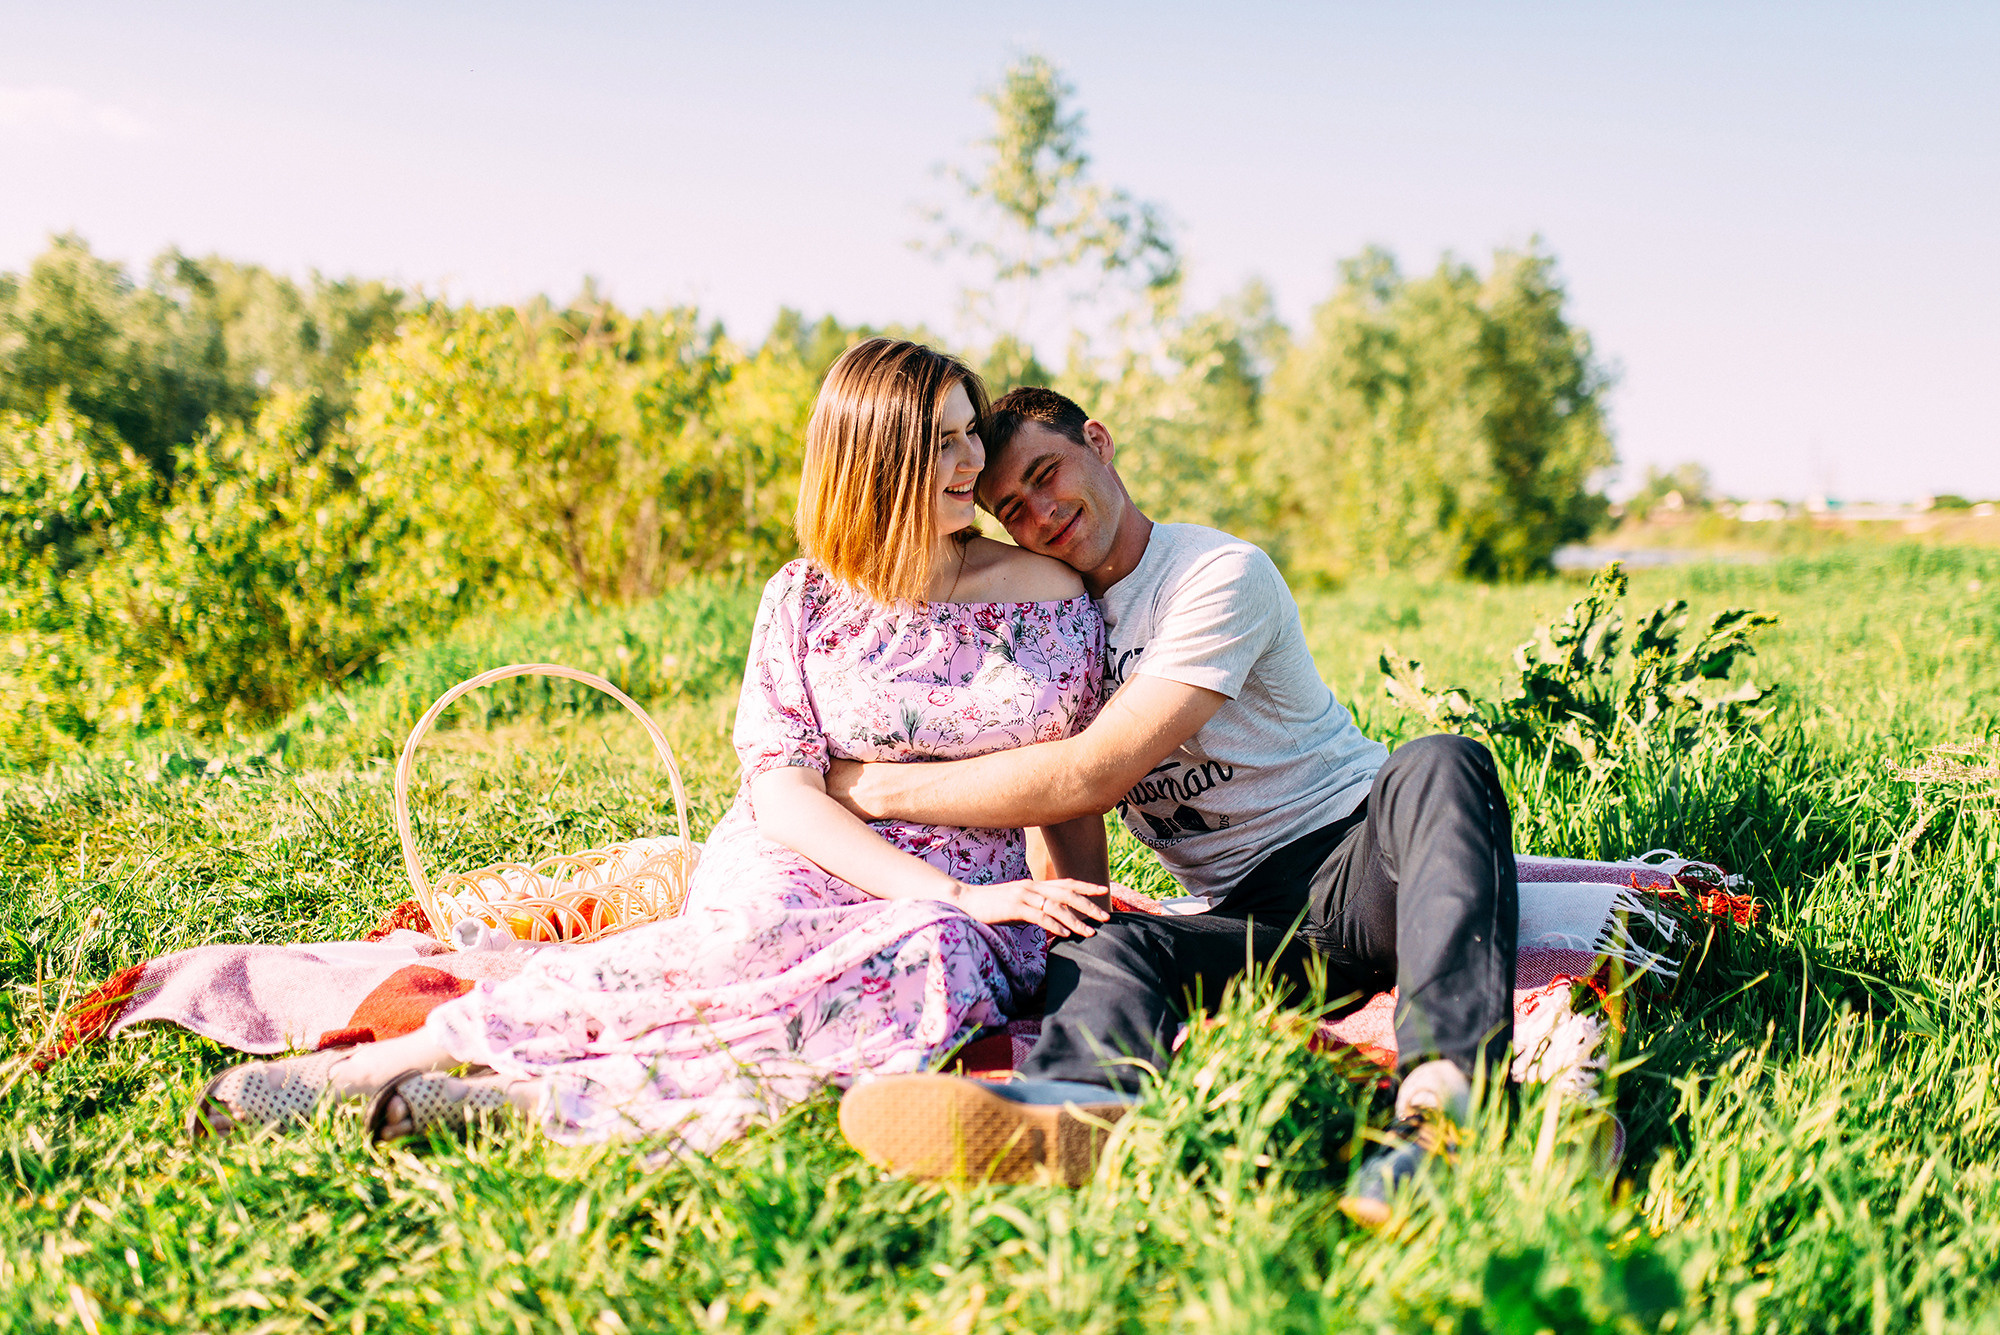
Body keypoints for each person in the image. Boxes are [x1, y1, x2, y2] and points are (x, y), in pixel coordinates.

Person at [188, 340, 1116, 1151]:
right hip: (809, 852)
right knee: (751, 941)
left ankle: (528, 1102)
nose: (968, 460)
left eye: (969, 434)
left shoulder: (1045, 591)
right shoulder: (806, 599)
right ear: (869, 459)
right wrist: (947, 886)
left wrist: (1064, 912)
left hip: (972, 893)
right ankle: (408, 1058)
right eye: (938, 441)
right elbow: (785, 790)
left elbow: (1070, 781)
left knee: (918, 961)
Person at [832, 387, 1518, 1222]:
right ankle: (1069, 1110)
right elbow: (1060, 803)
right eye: (1012, 507)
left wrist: (874, 785)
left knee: (1443, 760)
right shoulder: (1055, 617)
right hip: (1245, 917)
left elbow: (1088, 773)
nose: (1042, 512)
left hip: (1364, 853)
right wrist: (1064, 920)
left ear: (1099, 441)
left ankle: (1440, 1113)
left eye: (1050, 474)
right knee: (1104, 938)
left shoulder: (1217, 574)